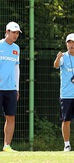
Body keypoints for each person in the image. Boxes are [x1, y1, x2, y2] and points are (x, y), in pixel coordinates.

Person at [0, 21, 22, 152]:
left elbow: (16, 68)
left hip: (11, 89)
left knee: (10, 116)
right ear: (7, 32)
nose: (15, 35)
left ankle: (7, 146)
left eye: (17, 33)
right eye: (13, 32)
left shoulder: (16, 48)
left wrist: (17, 88)